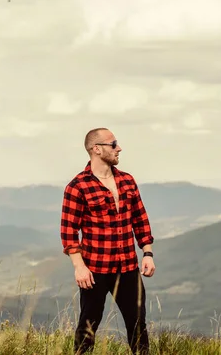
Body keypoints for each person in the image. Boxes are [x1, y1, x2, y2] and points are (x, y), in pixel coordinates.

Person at [60, 127, 155, 355]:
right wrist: (79, 267)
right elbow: (69, 231)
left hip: (128, 267)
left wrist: (148, 252)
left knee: (138, 324)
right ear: (97, 149)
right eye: (113, 144)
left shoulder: (127, 181)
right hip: (95, 269)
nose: (119, 148)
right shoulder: (77, 186)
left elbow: (140, 219)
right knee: (89, 325)